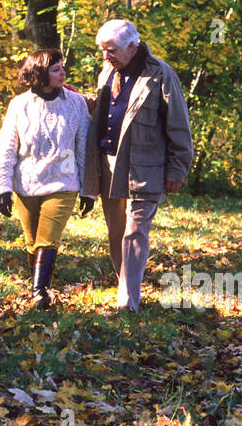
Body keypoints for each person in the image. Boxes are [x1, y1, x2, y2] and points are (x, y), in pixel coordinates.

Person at [81, 20, 194, 312]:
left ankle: (128, 302)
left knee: (135, 232)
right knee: (117, 233)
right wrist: (79, 100)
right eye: (103, 50)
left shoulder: (161, 74)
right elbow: (108, 108)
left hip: (146, 168)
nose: (106, 56)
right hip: (108, 165)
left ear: (133, 46)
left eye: (112, 50)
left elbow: (179, 125)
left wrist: (177, 169)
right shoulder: (107, 71)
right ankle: (127, 287)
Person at [0, 49, 95, 310]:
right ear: (39, 74)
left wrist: (88, 190)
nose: (63, 73)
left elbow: (84, 146)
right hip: (26, 184)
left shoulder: (76, 103)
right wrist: (3, 188)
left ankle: (40, 293)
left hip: (63, 183)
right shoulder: (19, 105)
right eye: (56, 69)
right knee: (31, 241)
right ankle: (38, 287)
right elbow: (7, 147)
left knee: (47, 239)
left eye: (62, 68)